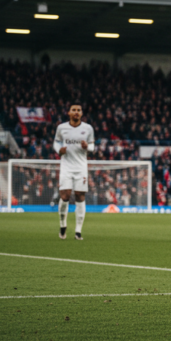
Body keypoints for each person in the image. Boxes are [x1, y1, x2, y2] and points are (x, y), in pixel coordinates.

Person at [54, 103, 94, 240]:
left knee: (80, 196)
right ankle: (62, 225)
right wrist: (59, 150)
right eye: (74, 110)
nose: (76, 112)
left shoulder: (88, 128)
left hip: (81, 167)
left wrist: (87, 147)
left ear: (81, 113)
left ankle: (78, 231)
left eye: (78, 110)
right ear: (69, 113)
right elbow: (56, 142)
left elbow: (93, 146)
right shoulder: (61, 128)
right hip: (66, 166)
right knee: (65, 196)